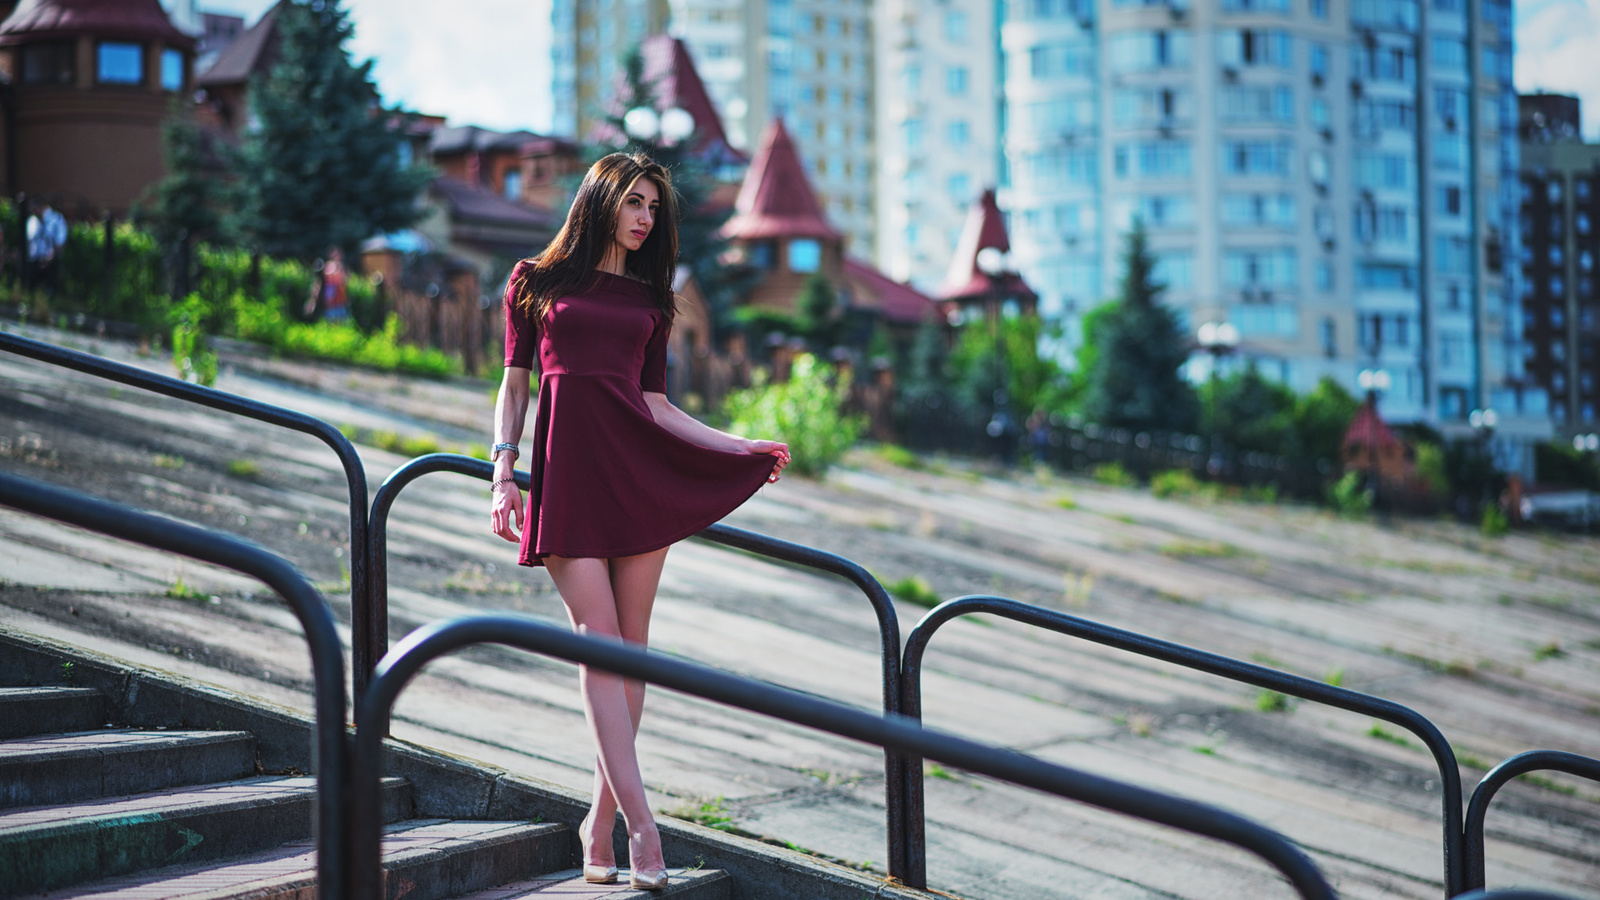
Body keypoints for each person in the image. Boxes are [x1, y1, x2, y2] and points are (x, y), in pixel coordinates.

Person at [488, 152, 789, 891]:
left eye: (654, 206)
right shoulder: (535, 281)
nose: (646, 217)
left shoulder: (654, 304)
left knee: (633, 655)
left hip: (636, 477)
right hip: (566, 482)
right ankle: (643, 830)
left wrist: (735, 445)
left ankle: (597, 825)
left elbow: (654, 405)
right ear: (601, 200)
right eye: (635, 202)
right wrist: (502, 471)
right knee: (601, 645)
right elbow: (514, 387)